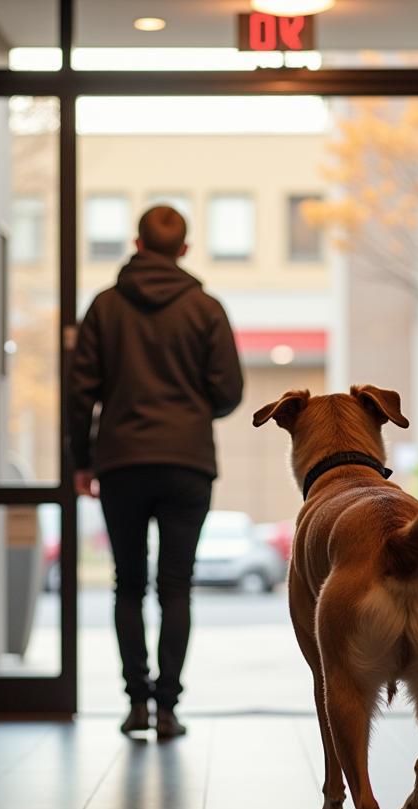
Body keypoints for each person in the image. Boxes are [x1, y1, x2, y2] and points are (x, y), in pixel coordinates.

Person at [68, 206, 243, 738]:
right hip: (187, 463)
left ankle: (136, 703)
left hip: (121, 462)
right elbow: (229, 392)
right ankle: (168, 708)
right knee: (176, 587)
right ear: (184, 250)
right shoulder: (206, 309)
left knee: (128, 585)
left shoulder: (103, 307)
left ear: (136, 244)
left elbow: (80, 393)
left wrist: (82, 461)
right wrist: (189, 413)